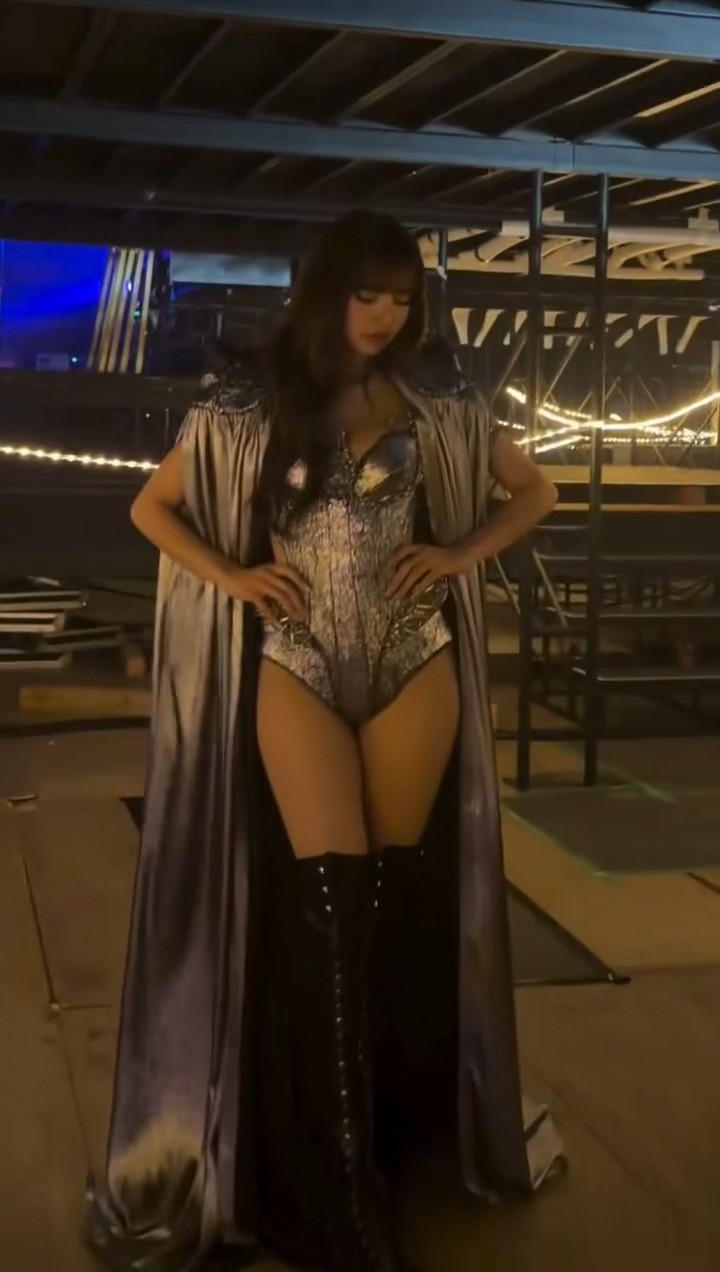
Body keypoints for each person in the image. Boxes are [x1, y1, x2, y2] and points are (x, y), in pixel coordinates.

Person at [83, 210, 564, 1272]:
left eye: (401, 297)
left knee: (389, 904)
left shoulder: (438, 396)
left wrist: (461, 553)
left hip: (412, 656)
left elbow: (537, 490)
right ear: (326, 293)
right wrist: (236, 576)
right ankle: (335, 1182)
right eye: (366, 294)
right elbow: (153, 508)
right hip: (294, 659)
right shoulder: (249, 400)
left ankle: (380, 1141)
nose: (384, 315)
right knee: (329, 906)